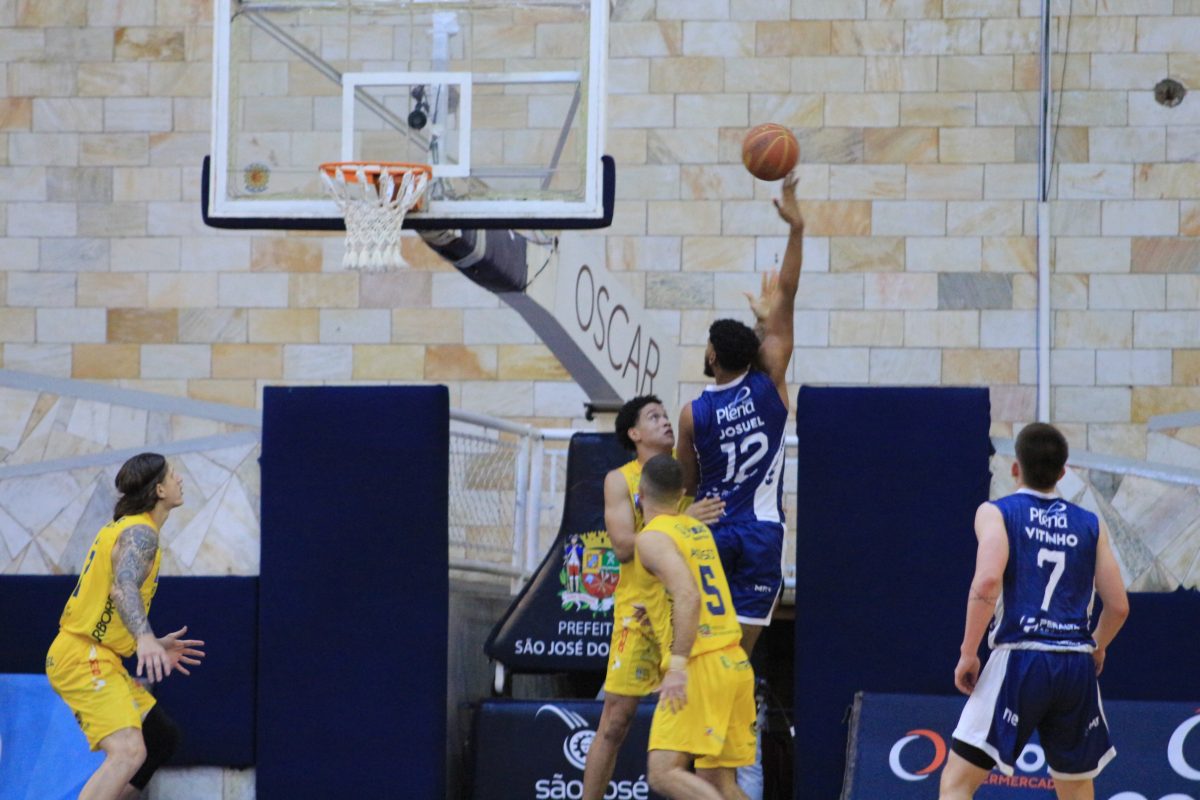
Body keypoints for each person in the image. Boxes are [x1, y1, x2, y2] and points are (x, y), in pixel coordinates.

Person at [939, 423, 1130, 800]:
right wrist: (1097, 646)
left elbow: (987, 582)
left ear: (1015, 467)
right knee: (1076, 789)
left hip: (1021, 657)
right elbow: (1119, 606)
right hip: (1075, 665)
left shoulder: (996, 513)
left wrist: (968, 652)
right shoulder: (1091, 524)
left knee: (957, 783)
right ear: (1062, 473)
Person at [677, 172, 805, 659]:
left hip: (712, 528)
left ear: (712, 356)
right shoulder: (769, 383)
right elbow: (788, 293)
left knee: (703, 649)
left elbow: (686, 484)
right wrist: (796, 228)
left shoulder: (693, 414)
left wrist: (689, 512)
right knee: (738, 656)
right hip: (761, 532)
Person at [582, 395, 724, 800]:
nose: (665, 421)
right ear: (634, 433)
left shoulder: (683, 473)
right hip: (639, 612)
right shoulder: (620, 479)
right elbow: (623, 546)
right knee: (615, 721)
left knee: (702, 730)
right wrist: (680, 520)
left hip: (685, 612)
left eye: (666, 415)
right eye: (654, 416)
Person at [46, 453, 206, 800]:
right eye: (173, 475)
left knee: (160, 737)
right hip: (82, 656)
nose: (180, 479)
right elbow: (123, 587)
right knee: (129, 751)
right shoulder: (141, 533)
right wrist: (144, 637)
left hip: (100, 654)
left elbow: (109, 598)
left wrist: (152, 641)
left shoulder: (128, 527)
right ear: (159, 489)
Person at [633, 454, 754, 800]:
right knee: (718, 783)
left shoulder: (651, 538)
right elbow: (692, 589)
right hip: (733, 663)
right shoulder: (696, 529)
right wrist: (659, 612)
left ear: (641, 493)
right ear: (681, 494)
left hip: (700, 666)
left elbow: (688, 595)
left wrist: (677, 667)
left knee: (663, 773)